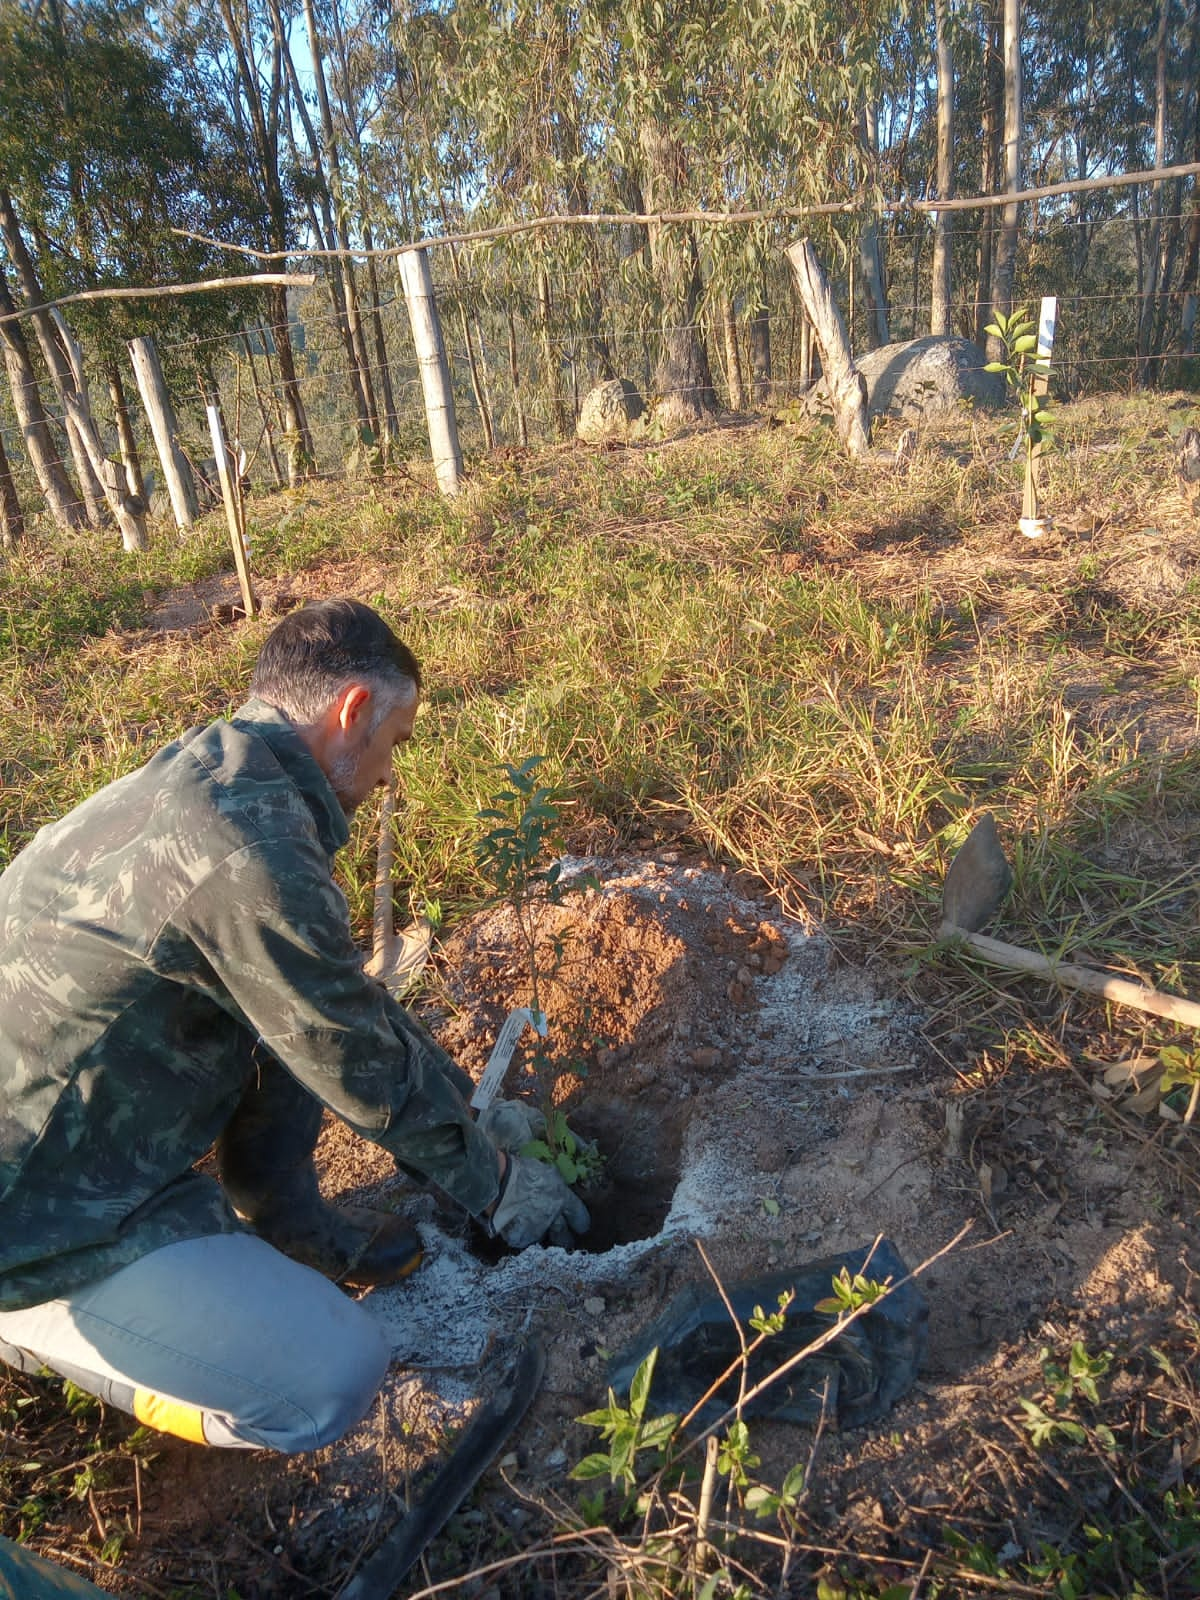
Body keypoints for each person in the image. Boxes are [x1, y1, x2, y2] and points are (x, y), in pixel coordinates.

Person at [0, 598, 588, 1453]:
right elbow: (350, 1056)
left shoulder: (210, 780)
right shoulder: (248, 849)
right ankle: (38, 1327)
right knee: (334, 1376)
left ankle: (286, 1225)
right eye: (396, 743)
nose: (390, 774)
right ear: (351, 711)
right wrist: (493, 1183)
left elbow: (326, 1006)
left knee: (278, 1024)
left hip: (74, 1135)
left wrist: (468, 1106)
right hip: (38, 1210)